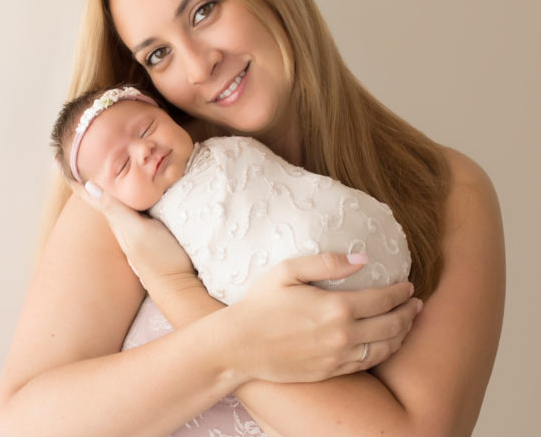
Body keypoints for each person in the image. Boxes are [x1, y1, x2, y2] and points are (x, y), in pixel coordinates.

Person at [0, 0, 505, 437]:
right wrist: (233, 340)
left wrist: (183, 297)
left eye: (204, 11)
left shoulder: (444, 193)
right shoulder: (135, 188)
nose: (198, 65)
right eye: (157, 54)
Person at [51, 84, 411, 305]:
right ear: (105, 196)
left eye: (147, 128)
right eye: (122, 166)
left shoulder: (227, 144)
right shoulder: (152, 236)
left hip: (341, 230)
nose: (144, 150)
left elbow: (288, 182)